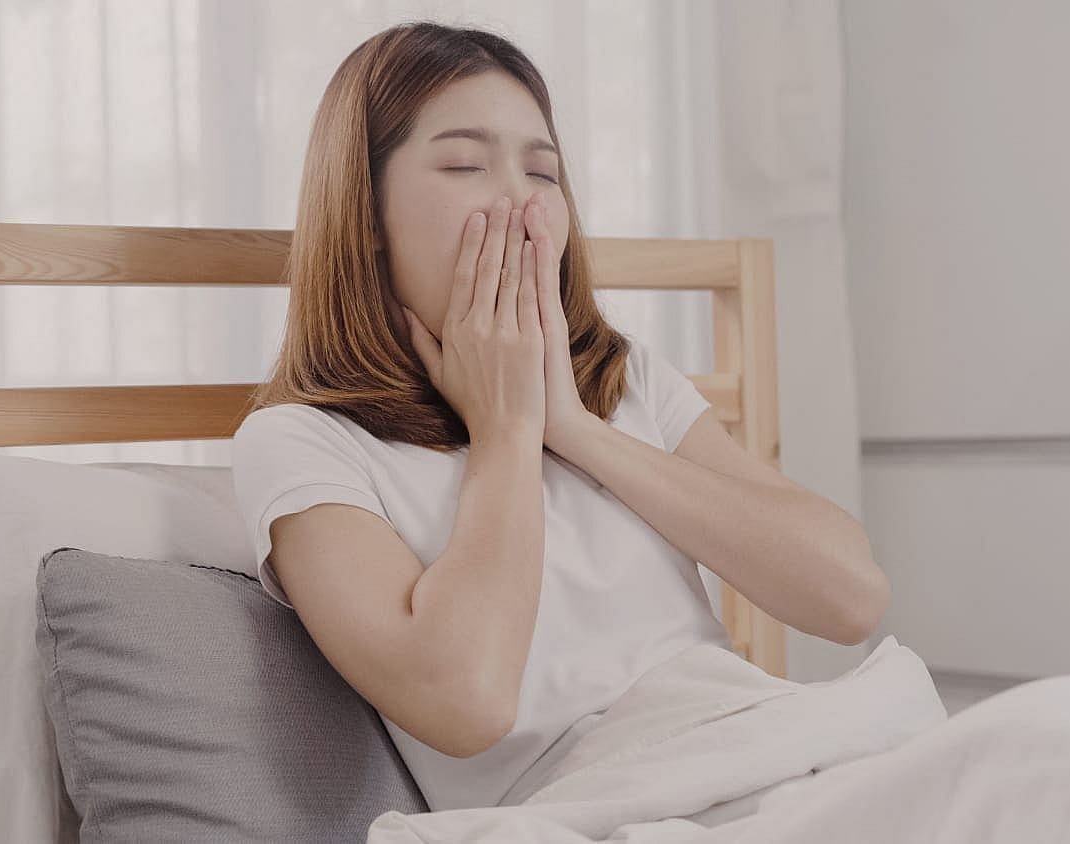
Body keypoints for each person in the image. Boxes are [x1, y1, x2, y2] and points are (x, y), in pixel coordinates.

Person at [231, 20, 888, 813]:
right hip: (623, 807)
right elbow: (465, 700)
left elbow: (850, 598)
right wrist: (505, 432)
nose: (520, 203)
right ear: (364, 212)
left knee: (1064, 739)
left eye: (543, 173)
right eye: (467, 164)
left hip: (789, 753)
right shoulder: (303, 442)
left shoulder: (623, 380)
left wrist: (572, 427)